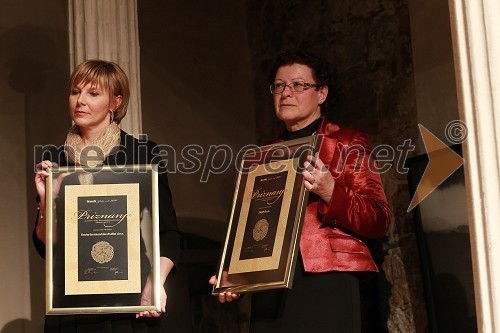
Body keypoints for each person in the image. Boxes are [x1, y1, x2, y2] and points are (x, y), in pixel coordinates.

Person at [209, 51, 392, 332]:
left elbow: (379, 219)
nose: (286, 93)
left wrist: (332, 191)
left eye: (298, 85)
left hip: (326, 278)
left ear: (322, 93)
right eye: (279, 85)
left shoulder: (348, 142)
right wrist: (238, 274)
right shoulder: (261, 157)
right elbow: (252, 228)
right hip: (271, 285)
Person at [33, 60, 181, 333]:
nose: (80, 101)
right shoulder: (55, 159)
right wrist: (46, 200)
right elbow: (46, 246)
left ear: (115, 101)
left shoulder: (140, 154)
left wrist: (155, 282)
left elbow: (168, 232)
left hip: (130, 298)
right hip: (70, 301)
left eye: (93, 93)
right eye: (75, 91)